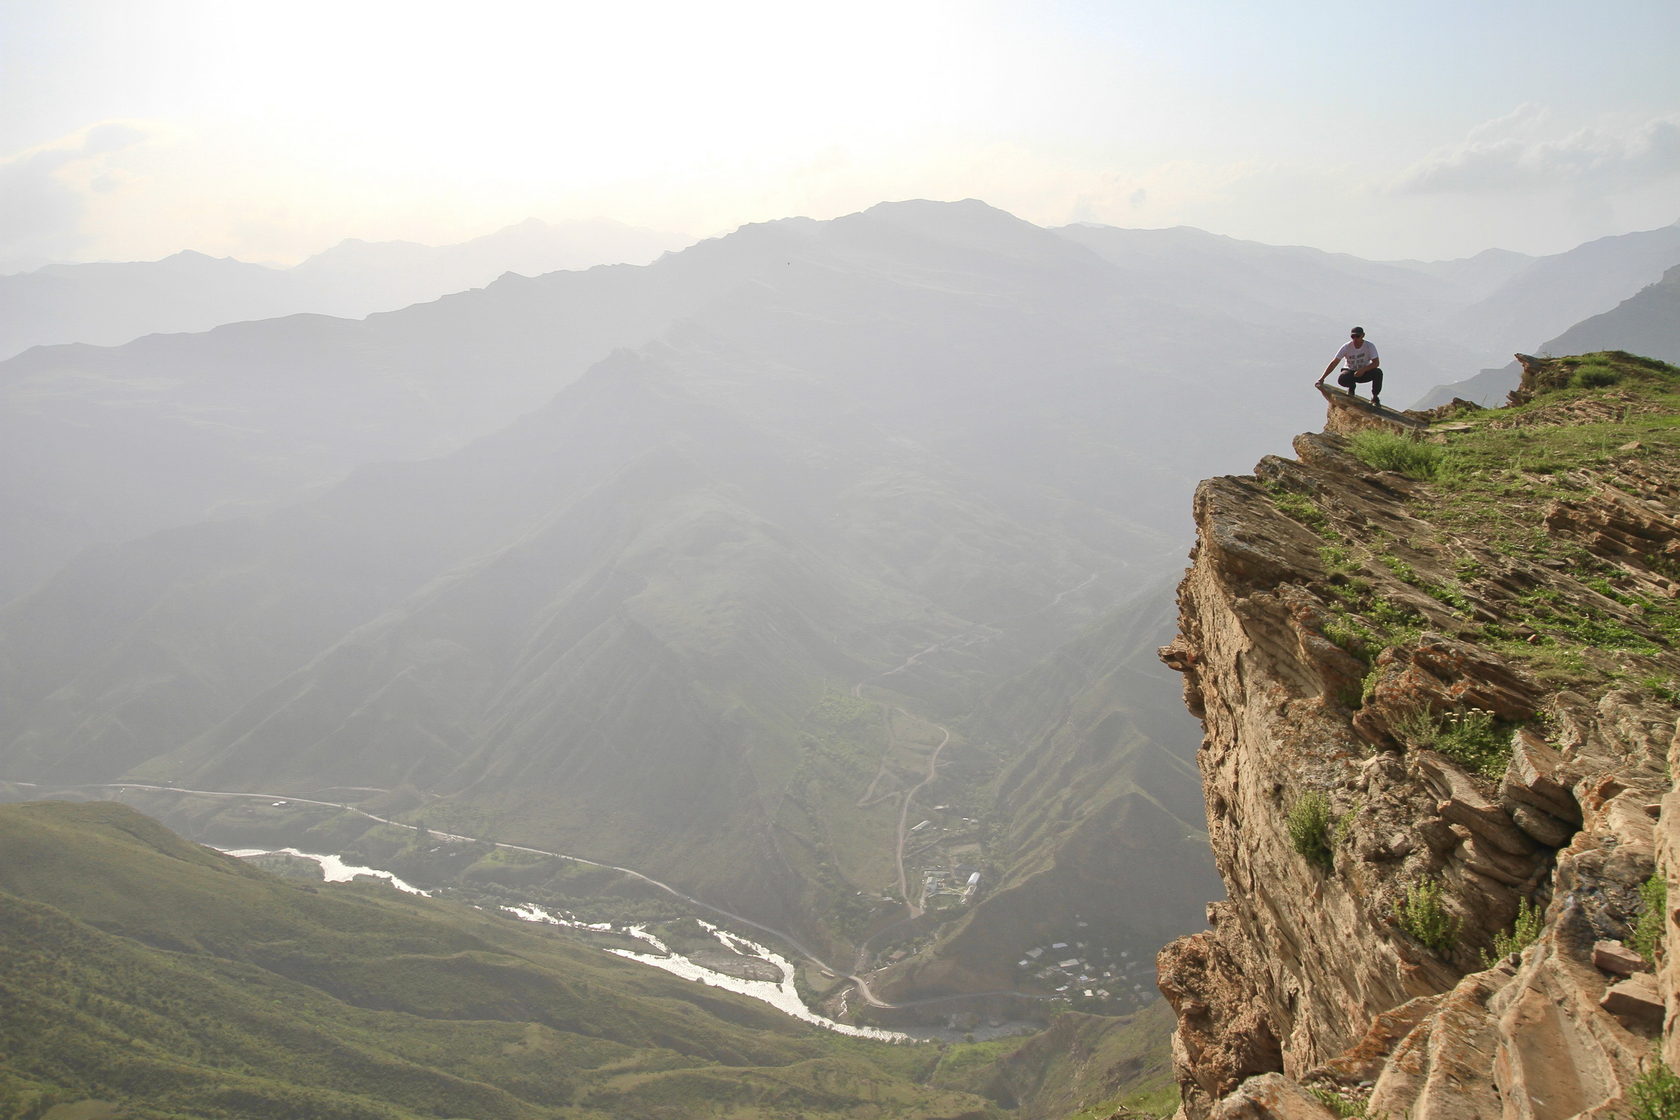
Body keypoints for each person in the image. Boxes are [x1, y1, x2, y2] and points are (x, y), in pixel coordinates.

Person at [1317, 327, 1383, 408]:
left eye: (1357, 336)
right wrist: (1322, 378)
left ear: (1363, 335)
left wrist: (1363, 370)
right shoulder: (1346, 347)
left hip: (1364, 372)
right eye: (1353, 336)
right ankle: (1351, 386)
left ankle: (1375, 397)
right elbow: (1334, 362)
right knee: (1342, 379)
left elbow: (1376, 363)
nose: (1355, 339)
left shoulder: (1369, 346)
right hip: (1350, 371)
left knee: (1378, 373)